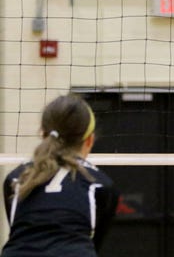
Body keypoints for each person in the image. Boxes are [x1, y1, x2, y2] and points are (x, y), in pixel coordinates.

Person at [1, 94, 119, 257]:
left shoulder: (16, 179)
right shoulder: (100, 185)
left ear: (43, 134)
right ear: (89, 140)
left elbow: (19, 234)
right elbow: (93, 245)